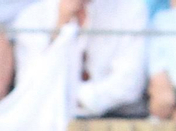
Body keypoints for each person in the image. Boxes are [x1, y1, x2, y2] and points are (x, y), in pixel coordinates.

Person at [14, 0, 149, 116]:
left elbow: (129, 85)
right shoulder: (32, 16)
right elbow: (30, 88)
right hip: (47, 123)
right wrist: (60, 26)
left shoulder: (130, 8)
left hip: (118, 120)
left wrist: (71, 97)